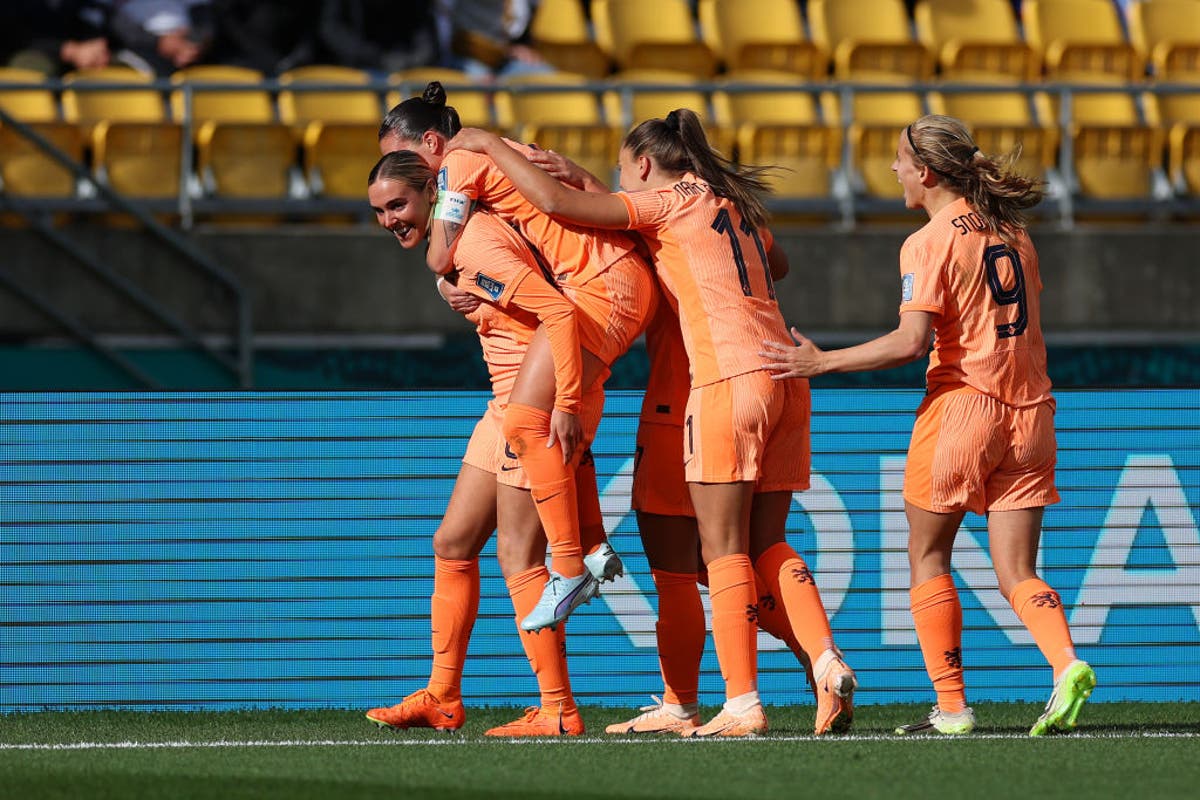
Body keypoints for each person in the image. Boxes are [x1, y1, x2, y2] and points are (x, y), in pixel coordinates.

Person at [447, 109, 857, 738]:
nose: (619, 186)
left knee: (688, 563)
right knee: (760, 546)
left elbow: (574, 208)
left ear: (642, 166)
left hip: (700, 389)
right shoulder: (732, 205)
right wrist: (592, 182)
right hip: (783, 375)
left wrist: (488, 149)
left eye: (621, 172)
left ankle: (713, 700)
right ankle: (821, 661)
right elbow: (776, 265)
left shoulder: (660, 210)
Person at [760, 114, 1097, 737]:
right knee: (1018, 571)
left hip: (964, 407)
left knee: (927, 556)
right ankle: (1067, 663)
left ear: (927, 172)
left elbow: (912, 341)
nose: (892, 171)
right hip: (1033, 414)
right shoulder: (1014, 230)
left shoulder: (929, 239)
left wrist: (822, 360)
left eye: (898, 161)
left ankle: (951, 708)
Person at [378, 82, 657, 632]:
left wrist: (444, 274)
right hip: (614, 278)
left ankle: (572, 568)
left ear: (433, 143)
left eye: (401, 160)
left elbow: (440, 252)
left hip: (600, 286)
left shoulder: (461, 162)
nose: (398, 174)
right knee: (536, 441)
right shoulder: (489, 161)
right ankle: (591, 547)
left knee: (534, 425)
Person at [363, 150, 608, 736]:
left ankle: (557, 709)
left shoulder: (474, 242)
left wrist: (567, 403)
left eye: (398, 204)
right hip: (503, 404)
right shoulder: (454, 250)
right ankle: (443, 697)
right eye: (378, 211)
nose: (390, 219)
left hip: (531, 404)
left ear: (432, 194)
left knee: (519, 557)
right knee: (452, 542)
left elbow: (556, 312)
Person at [604, 293, 817, 736]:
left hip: (686, 402)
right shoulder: (745, 228)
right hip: (761, 386)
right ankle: (820, 657)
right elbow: (777, 261)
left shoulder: (663, 224)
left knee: (680, 569)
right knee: (746, 553)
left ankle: (685, 704)